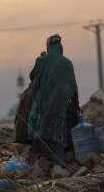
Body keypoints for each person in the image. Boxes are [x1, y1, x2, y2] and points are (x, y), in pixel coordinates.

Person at [28, 34, 80, 167]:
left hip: (43, 107)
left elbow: (34, 78)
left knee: (38, 127)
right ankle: (59, 166)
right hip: (60, 108)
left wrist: (41, 58)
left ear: (48, 47)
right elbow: (73, 88)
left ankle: (36, 164)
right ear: (60, 47)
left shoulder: (42, 60)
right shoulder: (68, 63)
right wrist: (75, 108)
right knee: (58, 137)